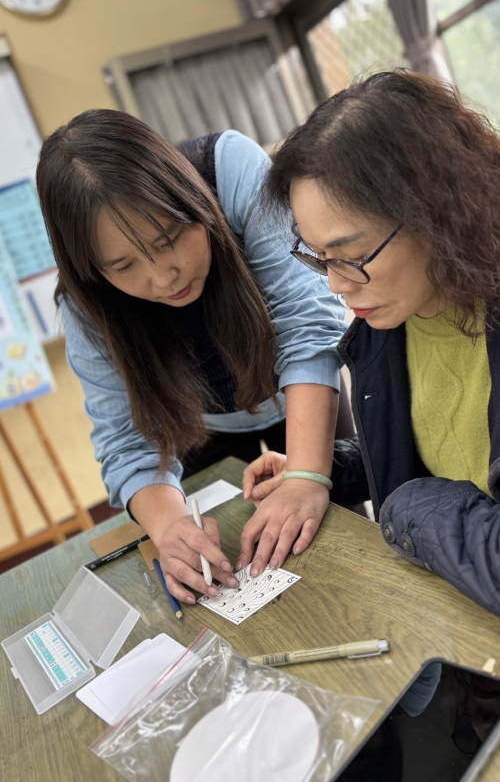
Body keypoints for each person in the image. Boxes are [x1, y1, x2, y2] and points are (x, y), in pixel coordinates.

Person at [36, 111, 347, 604]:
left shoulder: (228, 169)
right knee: (227, 565)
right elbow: (126, 440)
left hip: (307, 394)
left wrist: (307, 477)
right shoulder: (85, 304)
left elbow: (306, 326)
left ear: (193, 198)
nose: (165, 276)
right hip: (200, 429)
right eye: (124, 266)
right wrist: (169, 528)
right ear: (91, 269)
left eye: (170, 239)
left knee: (338, 534)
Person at [249, 69, 500, 619]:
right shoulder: (389, 328)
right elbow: (443, 445)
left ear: (440, 212)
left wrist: (406, 502)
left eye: (352, 256)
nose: (336, 285)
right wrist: (321, 468)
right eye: (319, 258)